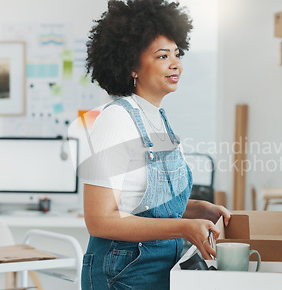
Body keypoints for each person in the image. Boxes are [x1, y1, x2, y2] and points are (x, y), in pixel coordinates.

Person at [81, 0, 231, 289]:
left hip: (161, 266)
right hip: (123, 272)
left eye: (177, 53)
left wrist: (198, 209)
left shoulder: (157, 119)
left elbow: (146, 206)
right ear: (132, 66)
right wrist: (184, 228)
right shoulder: (115, 120)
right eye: (162, 56)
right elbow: (99, 220)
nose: (176, 63)